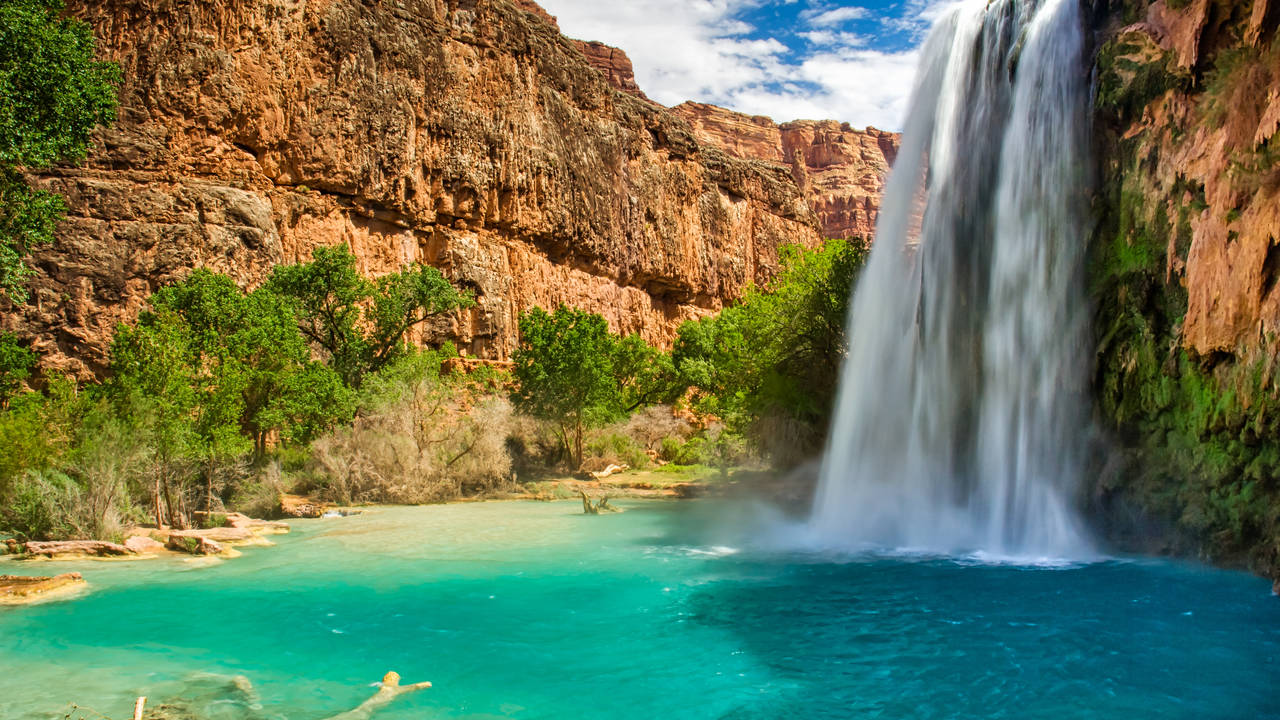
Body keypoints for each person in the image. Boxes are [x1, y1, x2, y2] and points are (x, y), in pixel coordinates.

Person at [322, 672, 432, 720]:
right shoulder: (396, 689)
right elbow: (416, 686)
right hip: (368, 709)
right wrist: (427, 684)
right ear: (397, 680)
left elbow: (372, 684)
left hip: (366, 706)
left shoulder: (382, 686)